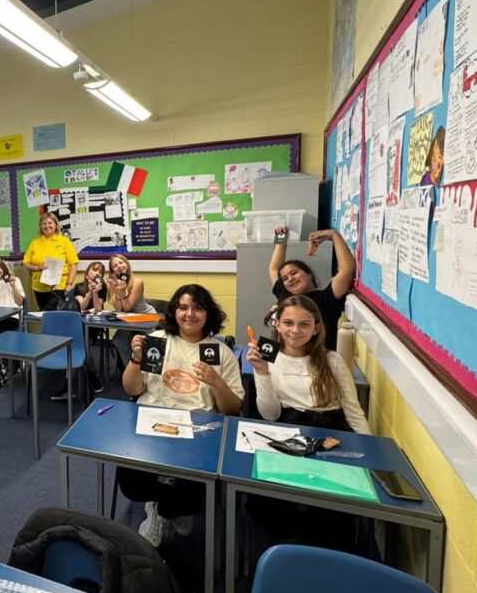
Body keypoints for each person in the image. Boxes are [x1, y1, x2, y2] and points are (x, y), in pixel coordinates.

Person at [118, 284, 243, 546]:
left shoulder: (220, 352)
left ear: (208, 314)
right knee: (131, 484)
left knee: (199, 497)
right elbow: (133, 389)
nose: (189, 314)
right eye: (183, 307)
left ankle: (164, 510)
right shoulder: (158, 341)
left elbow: (232, 410)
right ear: (174, 312)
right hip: (153, 423)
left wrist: (217, 383)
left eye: (198, 308)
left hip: (198, 431)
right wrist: (136, 359)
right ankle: (165, 506)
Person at [247, 296, 369, 433]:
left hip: (331, 432)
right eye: (288, 323)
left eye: (304, 324)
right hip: (289, 431)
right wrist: (262, 371)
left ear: (316, 329)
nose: (295, 330)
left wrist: (367, 442)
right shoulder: (267, 359)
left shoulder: (332, 360)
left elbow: (354, 412)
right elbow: (270, 415)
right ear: (278, 325)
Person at [268, 226, 355, 350]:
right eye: (285, 278)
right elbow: (273, 269)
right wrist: (281, 237)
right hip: (284, 356)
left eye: (294, 273)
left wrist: (334, 235)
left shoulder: (327, 298)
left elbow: (347, 269)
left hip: (317, 358)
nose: (290, 279)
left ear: (309, 274)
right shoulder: (286, 297)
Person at [22, 213, 79, 310]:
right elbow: (26, 264)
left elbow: (73, 264)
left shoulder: (64, 241)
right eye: (44, 224)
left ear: (56, 225)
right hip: (39, 287)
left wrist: (69, 284)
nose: (47, 226)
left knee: (52, 312)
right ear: (40, 226)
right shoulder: (35, 242)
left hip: (58, 286)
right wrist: (37, 267)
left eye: (49, 223)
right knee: (44, 313)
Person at [106, 254, 154, 367]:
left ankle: (150, 370)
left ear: (127, 264)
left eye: (121, 262)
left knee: (152, 342)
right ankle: (132, 369)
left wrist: (122, 291)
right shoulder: (112, 283)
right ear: (112, 271)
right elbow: (120, 309)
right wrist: (116, 290)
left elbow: (127, 307)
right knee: (118, 340)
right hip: (130, 320)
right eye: (114, 266)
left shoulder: (137, 281)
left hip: (145, 317)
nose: (119, 266)